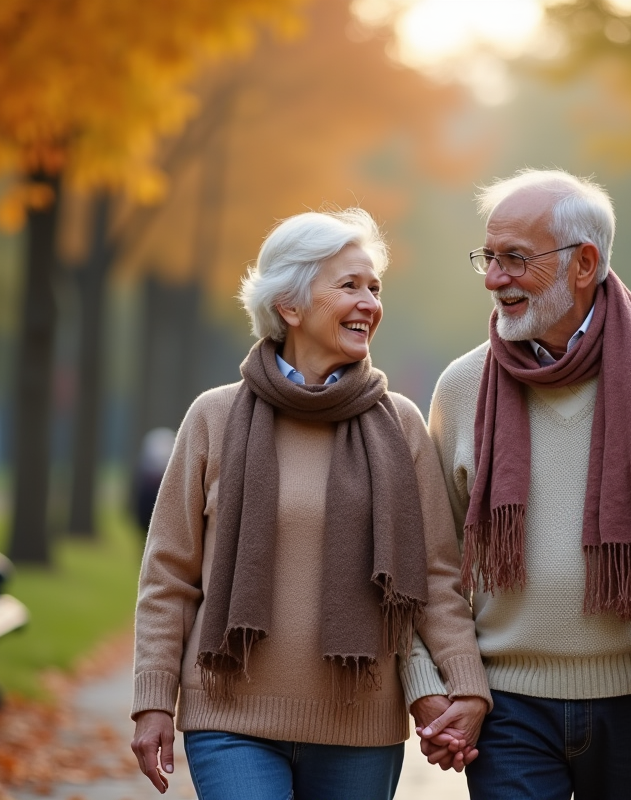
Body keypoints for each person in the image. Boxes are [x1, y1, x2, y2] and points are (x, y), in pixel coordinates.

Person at [403, 170, 631, 799]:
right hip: (509, 708)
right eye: (487, 258)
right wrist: (429, 682)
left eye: (515, 259)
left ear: (584, 263)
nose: (494, 279)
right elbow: (432, 567)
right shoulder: (462, 388)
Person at [130, 208, 492, 800]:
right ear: (289, 306)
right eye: (348, 286)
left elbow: (435, 575)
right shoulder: (213, 418)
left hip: (360, 728)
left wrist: (466, 684)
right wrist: (152, 702)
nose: (369, 303)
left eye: (374, 288)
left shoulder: (400, 425)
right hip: (230, 719)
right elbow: (168, 575)